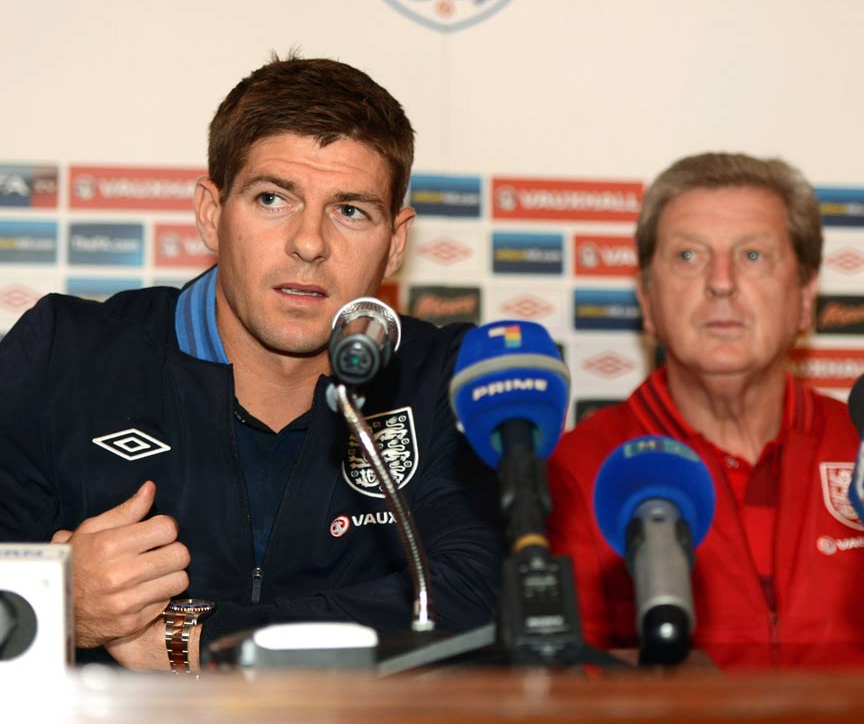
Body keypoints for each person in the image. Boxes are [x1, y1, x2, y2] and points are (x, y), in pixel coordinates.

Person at [0, 55, 500, 672]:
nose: (310, 243)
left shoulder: (444, 377)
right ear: (212, 214)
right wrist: (54, 603)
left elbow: (483, 597)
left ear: (395, 242)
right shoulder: (66, 354)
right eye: (272, 198)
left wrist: (196, 642)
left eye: (350, 211)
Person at [547, 152, 864, 669]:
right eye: (689, 256)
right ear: (646, 299)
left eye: (753, 255)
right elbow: (565, 688)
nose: (722, 281)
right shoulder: (579, 471)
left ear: (805, 297)